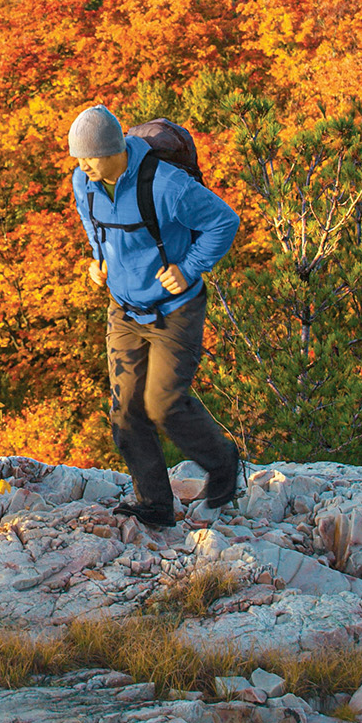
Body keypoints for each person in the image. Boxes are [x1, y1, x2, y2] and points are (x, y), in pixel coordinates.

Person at [69, 103, 242, 527]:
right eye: (78, 157)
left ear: (115, 149)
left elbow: (224, 222)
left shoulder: (167, 186)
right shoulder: (83, 182)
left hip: (175, 311)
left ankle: (222, 462)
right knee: (126, 412)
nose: (83, 164)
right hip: (124, 311)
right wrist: (98, 261)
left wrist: (188, 269)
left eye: (90, 156)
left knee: (163, 405)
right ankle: (155, 504)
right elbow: (94, 226)